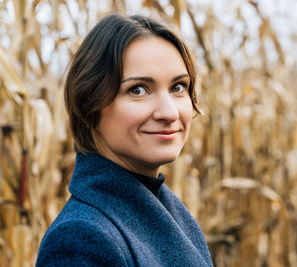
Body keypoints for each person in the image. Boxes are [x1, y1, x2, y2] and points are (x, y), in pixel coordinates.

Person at [36, 13, 213, 267]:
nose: (169, 113)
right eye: (138, 90)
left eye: (178, 87)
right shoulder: (81, 240)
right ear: (89, 106)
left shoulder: (170, 211)